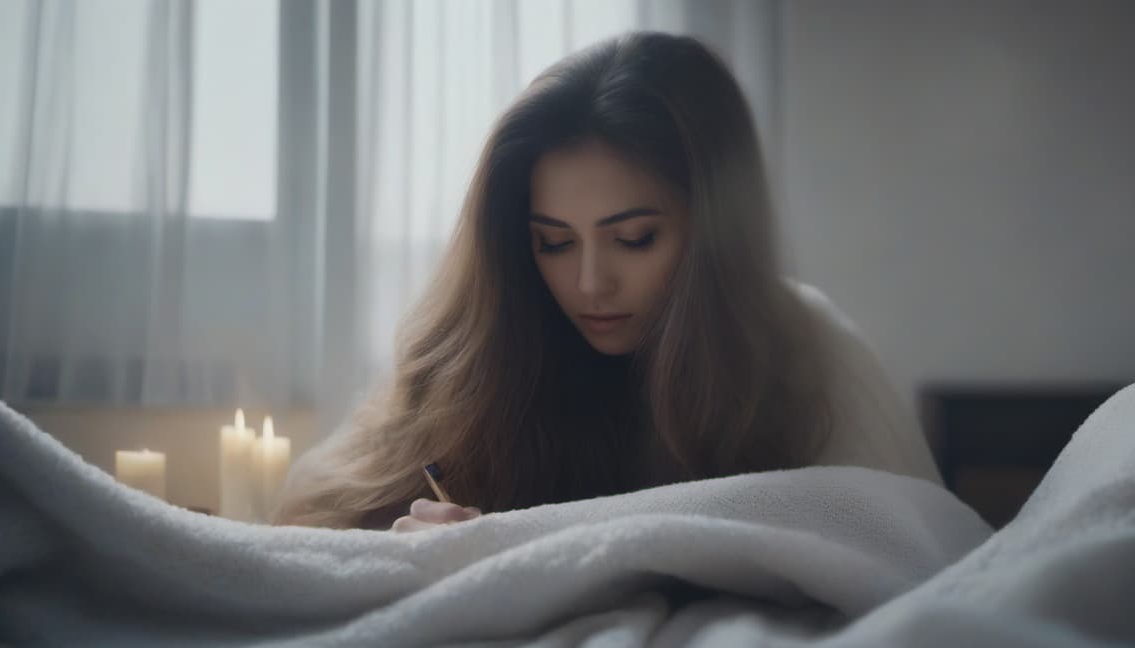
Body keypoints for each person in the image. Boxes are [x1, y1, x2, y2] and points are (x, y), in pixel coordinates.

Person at [272, 31, 941, 531]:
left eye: (633, 239)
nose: (589, 283)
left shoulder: (806, 348)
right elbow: (310, 509)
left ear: (715, 234)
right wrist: (422, 546)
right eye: (553, 243)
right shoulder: (496, 334)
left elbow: (919, 558)